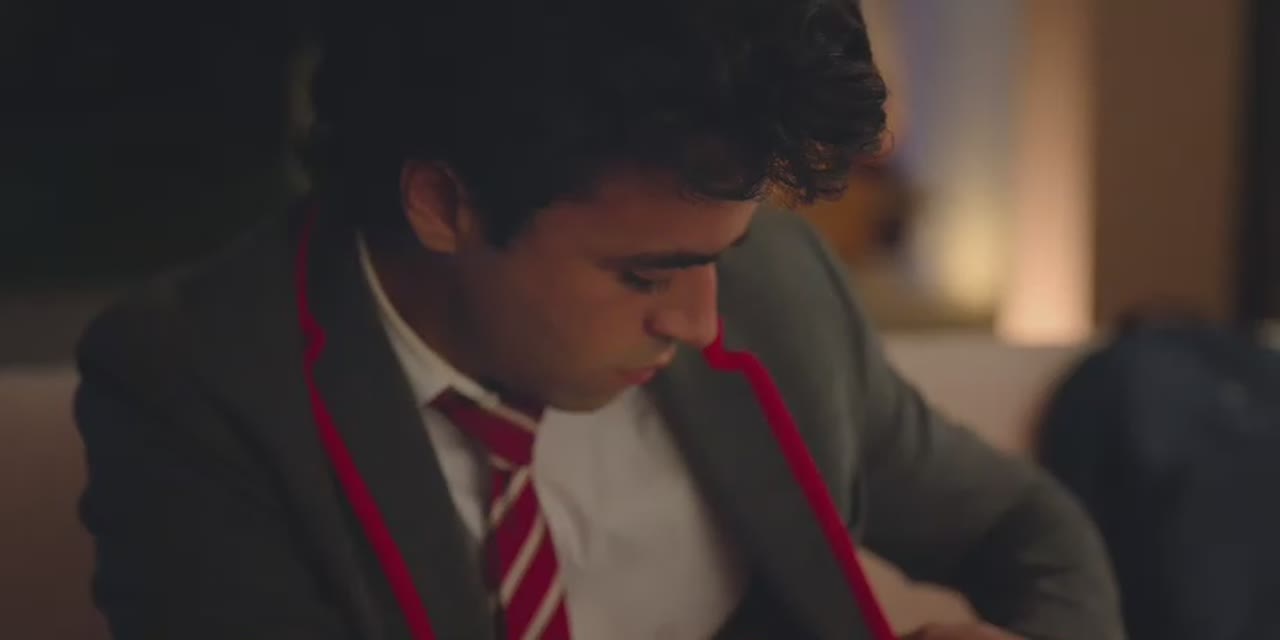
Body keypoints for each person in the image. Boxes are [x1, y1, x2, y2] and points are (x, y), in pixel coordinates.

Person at [73, 1, 1123, 638]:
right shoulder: (196, 390)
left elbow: (1027, 531)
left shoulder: (773, 287)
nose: (703, 323)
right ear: (442, 203)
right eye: (643, 274)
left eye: (720, 255)